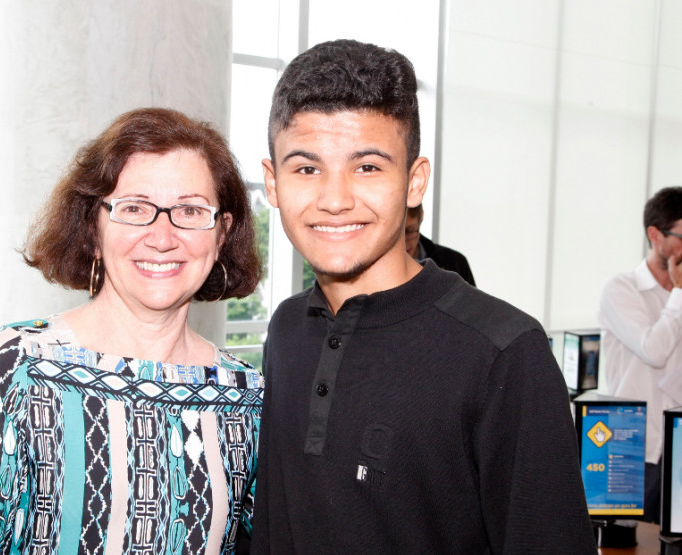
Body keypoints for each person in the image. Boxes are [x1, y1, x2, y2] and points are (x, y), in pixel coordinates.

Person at [251, 39, 596, 553]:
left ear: (414, 183)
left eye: (367, 167)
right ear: (272, 183)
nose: (335, 199)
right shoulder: (286, 330)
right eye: (306, 168)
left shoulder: (505, 352)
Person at [0, 107, 264, 553]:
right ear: (93, 230)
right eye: (134, 208)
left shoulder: (247, 396)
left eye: (190, 210)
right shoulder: (19, 367)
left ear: (221, 235)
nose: (162, 236)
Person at [598, 186, 682, 524]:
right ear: (654, 234)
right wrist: (678, 293)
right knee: (630, 545)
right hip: (633, 447)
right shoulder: (621, 289)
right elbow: (654, 351)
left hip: (676, 447)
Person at [405, 203, 476, 286]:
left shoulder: (454, 262)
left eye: (410, 231)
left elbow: (472, 298)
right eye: (396, 234)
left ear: (421, 218)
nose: (404, 243)